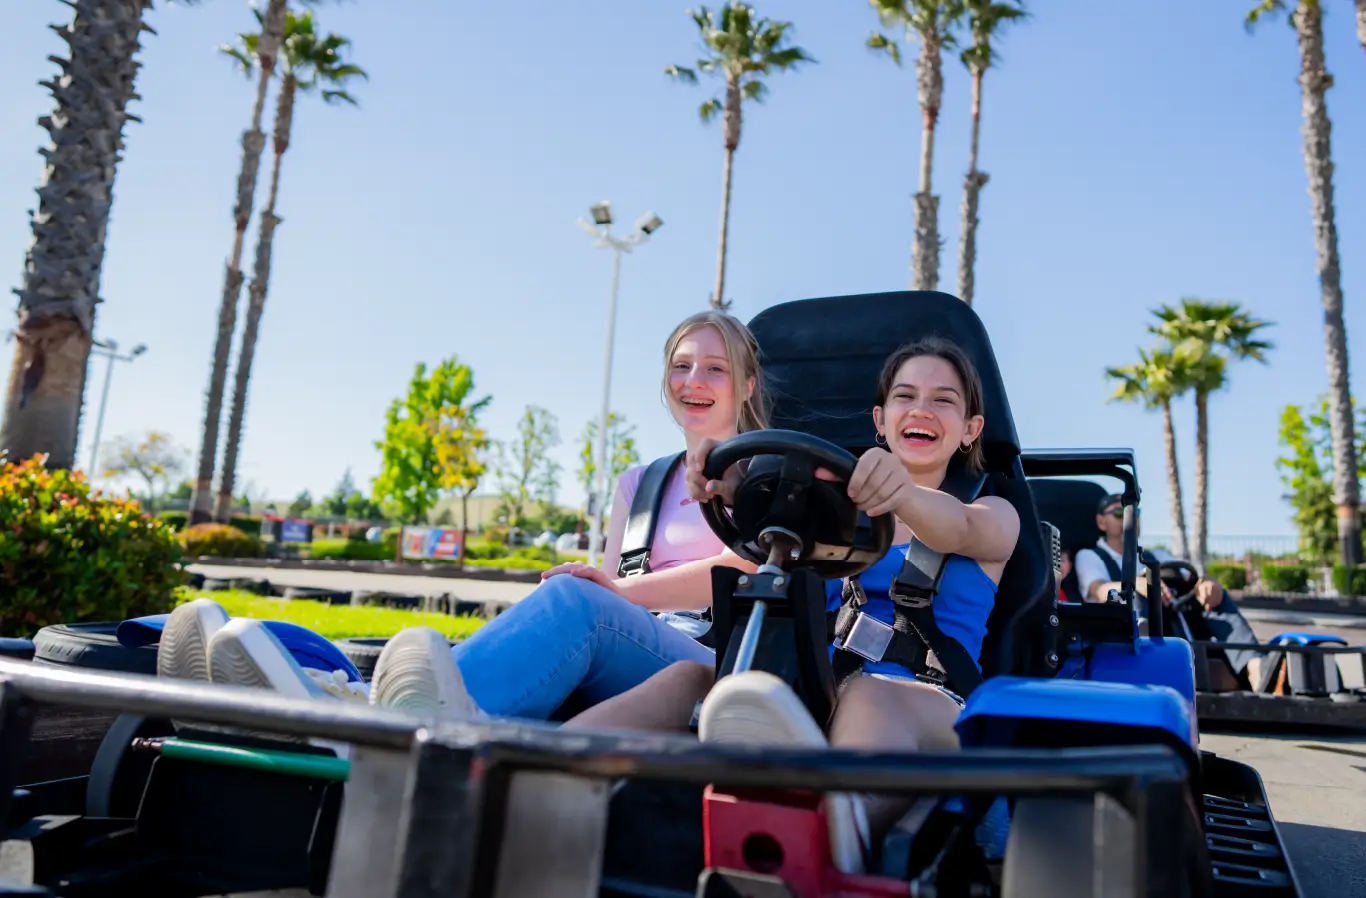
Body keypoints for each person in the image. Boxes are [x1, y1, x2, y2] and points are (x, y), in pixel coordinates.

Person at [153, 310, 769, 722]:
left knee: (575, 603)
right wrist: (606, 587)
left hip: (714, 657)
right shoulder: (640, 483)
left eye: (715, 368)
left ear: (745, 386)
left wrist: (614, 589)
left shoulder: (775, 472)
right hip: (631, 649)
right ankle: (336, 695)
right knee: (568, 597)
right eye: (681, 364)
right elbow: (610, 589)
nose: (693, 379)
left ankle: (362, 711)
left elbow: (741, 567)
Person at [553, 336, 1019, 873]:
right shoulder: (826, 513)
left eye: (943, 400)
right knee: (690, 679)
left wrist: (902, 495)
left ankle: (823, 848)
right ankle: (533, 778)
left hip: (932, 704)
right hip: (816, 692)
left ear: (970, 429)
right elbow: (750, 558)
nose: (920, 409)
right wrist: (730, 487)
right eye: (905, 396)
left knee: (870, 696)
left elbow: (957, 527)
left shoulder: (991, 512)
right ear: (881, 417)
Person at [1074, 493, 1261, 689]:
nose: (1130, 518)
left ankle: (1255, 668)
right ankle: (1146, 670)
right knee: (1135, 595)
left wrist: (1207, 584)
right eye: (1120, 512)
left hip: (1172, 625)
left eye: (1135, 512)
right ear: (1101, 522)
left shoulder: (1157, 556)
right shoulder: (1090, 556)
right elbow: (1098, 589)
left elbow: (1193, 580)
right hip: (1122, 639)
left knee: (1216, 595)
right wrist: (1135, 583)